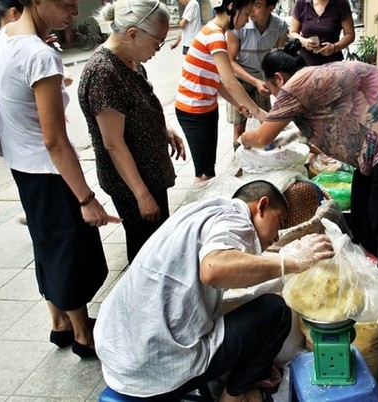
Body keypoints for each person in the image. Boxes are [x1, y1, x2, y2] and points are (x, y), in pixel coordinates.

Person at [94, 180, 334, 401]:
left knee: (243, 306)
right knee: (275, 311)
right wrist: (288, 261)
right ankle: (235, 395)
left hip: (116, 352)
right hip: (154, 367)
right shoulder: (237, 220)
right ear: (262, 205)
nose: (275, 237)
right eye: (279, 223)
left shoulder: (203, 211)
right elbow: (213, 269)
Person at [240, 40, 378, 289]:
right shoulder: (309, 79)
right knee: (363, 204)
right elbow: (307, 131)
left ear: (278, 78)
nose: (276, 98)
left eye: (271, 89)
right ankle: (372, 257)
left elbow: (262, 136)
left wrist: (244, 138)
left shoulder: (293, 86)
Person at [0, 0, 120, 358]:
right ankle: (84, 335)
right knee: (70, 253)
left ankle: (59, 324)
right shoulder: (39, 55)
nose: (73, 11)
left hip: (23, 168)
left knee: (47, 245)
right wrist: (86, 199)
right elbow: (54, 140)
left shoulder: (5, 39)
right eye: (66, 4)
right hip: (49, 172)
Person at [78, 0, 186, 265]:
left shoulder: (132, 61)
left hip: (149, 174)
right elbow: (113, 143)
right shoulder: (104, 73)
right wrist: (142, 195)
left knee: (159, 244)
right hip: (132, 184)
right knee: (146, 254)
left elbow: (139, 106)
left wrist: (164, 129)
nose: (158, 50)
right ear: (133, 34)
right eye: (157, 43)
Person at [175, 0, 268, 185]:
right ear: (233, 7)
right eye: (247, 14)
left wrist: (239, 105)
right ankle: (202, 208)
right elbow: (230, 82)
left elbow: (216, 82)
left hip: (206, 107)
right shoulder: (215, 35)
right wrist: (258, 111)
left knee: (208, 169)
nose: (247, 21)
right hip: (193, 111)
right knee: (203, 174)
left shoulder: (216, 32)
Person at [226, 0, 288, 146]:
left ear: (271, 8)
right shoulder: (239, 25)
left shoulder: (280, 27)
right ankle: (239, 161)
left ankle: (265, 159)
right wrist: (254, 81)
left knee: (265, 124)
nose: (251, 9)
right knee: (239, 126)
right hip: (238, 80)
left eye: (257, 5)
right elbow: (230, 61)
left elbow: (278, 59)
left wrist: (275, 86)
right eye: (251, 4)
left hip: (263, 79)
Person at [288, 0, 355, 66]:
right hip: (305, 63)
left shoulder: (341, 4)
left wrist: (334, 47)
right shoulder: (301, 3)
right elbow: (292, 32)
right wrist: (304, 42)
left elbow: (350, 34)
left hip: (333, 64)